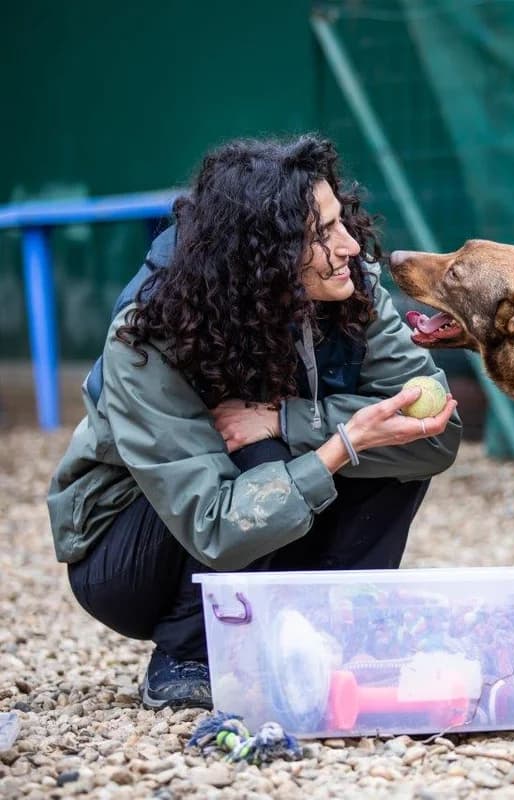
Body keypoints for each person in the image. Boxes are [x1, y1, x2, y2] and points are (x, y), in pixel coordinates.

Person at [46, 134, 461, 710]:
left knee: (392, 445)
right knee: (264, 457)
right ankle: (191, 652)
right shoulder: (149, 331)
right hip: (128, 553)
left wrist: (291, 421)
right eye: (321, 234)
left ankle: (330, 636)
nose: (349, 246)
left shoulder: (351, 283)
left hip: (265, 503)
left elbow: (436, 428)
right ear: (260, 252)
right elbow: (213, 521)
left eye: (342, 221)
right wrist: (337, 446)